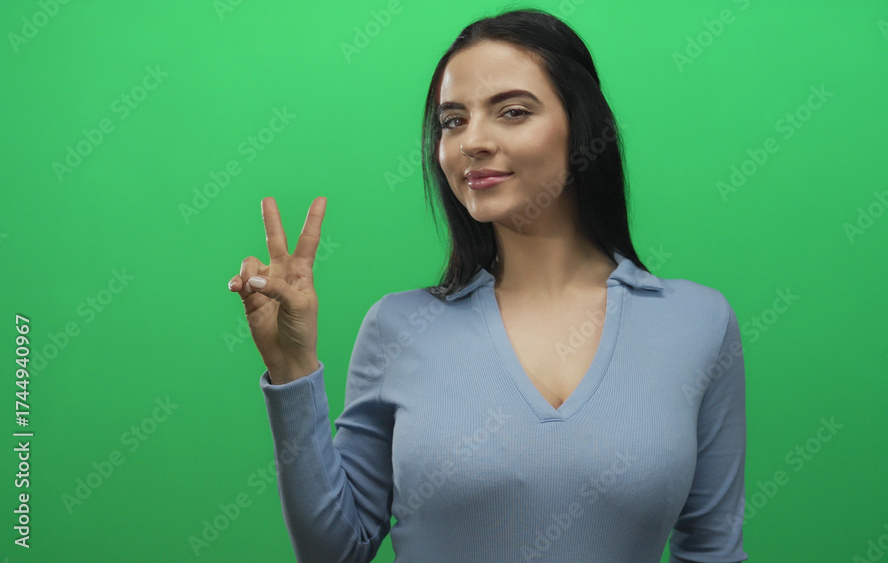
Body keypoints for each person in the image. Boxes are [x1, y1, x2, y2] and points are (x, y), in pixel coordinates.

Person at [228, 8, 747, 563]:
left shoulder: (696, 322)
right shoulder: (398, 328)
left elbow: (712, 551)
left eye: (513, 112)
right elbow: (336, 551)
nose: (472, 141)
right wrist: (292, 369)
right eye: (453, 120)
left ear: (581, 127)